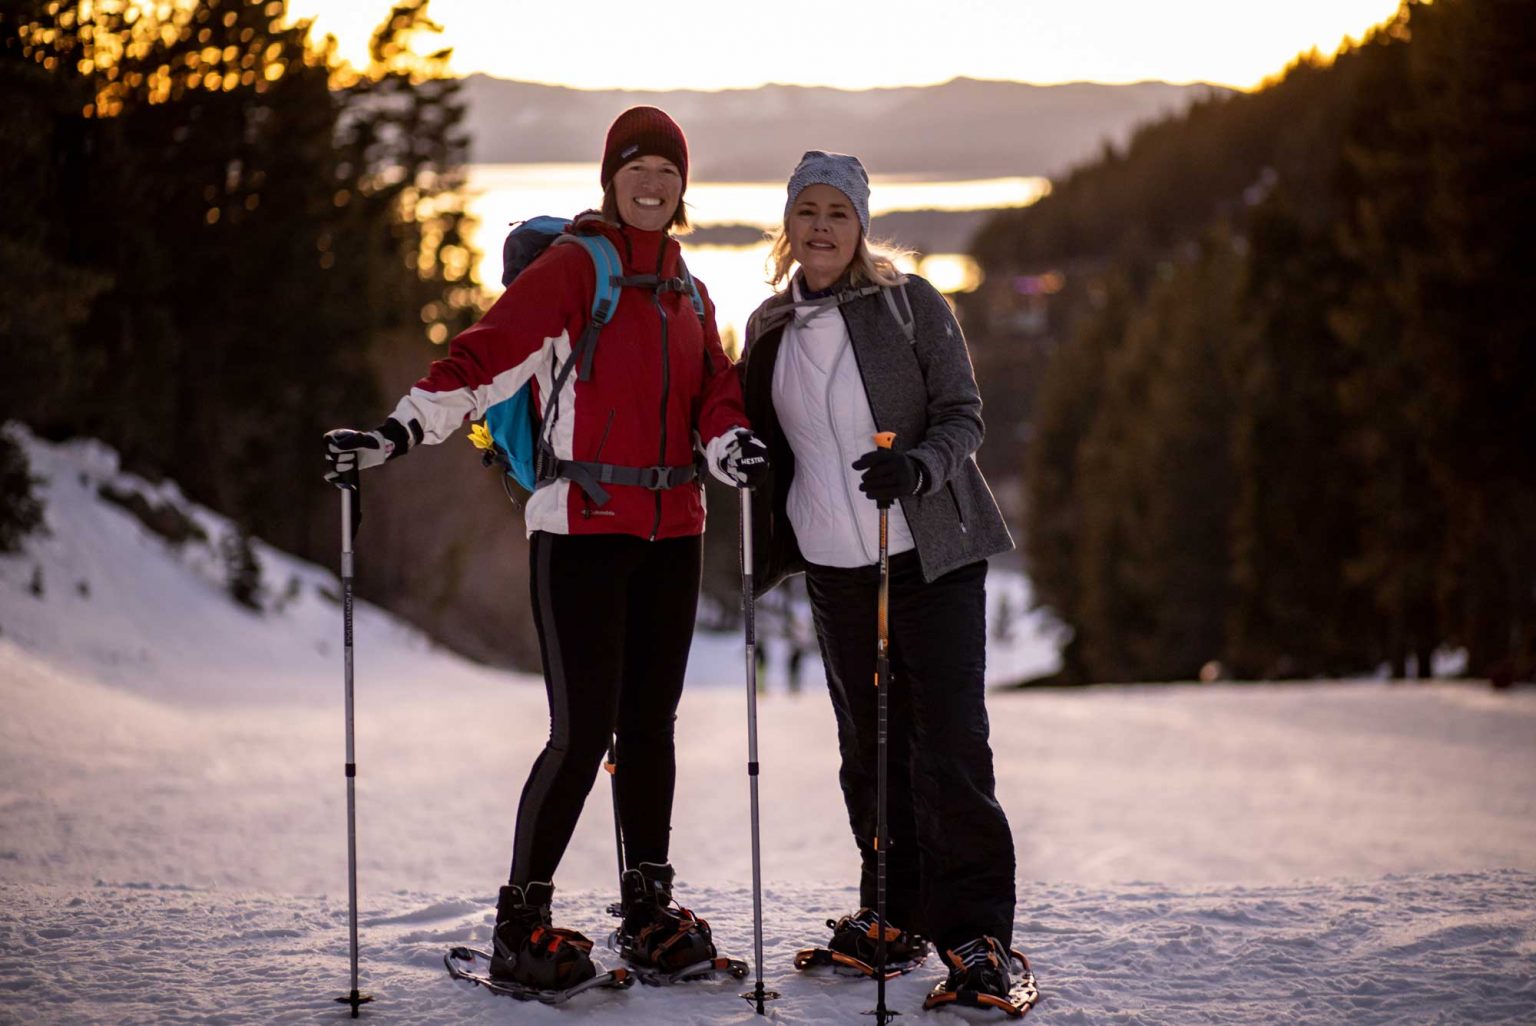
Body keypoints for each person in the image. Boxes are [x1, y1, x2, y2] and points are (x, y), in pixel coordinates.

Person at [323, 106, 769, 992]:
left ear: (684, 188)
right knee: (583, 731)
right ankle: (519, 924)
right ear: (611, 180)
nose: (651, 184)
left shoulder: (689, 285)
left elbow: (717, 391)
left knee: (649, 729)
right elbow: (483, 358)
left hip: (676, 531)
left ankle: (645, 910)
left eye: (667, 172)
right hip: (581, 532)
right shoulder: (575, 268)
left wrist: (729, 446)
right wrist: (396, 434)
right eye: (636, 168)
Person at [739, 151, 1021, 1003]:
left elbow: (964, 415)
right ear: (787, 226)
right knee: (868, 748)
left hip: (926, 554)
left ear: (860, 226)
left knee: (951, 744)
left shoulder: (909, 305)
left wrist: (921, 470)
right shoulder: (766, 326)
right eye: (807, 211)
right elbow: (757, 432)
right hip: (835, 566)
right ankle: (892, 912)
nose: (821, 226)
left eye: (837, 213)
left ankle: (977, 939)